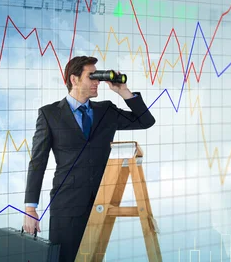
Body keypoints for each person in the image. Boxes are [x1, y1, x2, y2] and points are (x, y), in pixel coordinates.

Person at [22, 56, 156, 261]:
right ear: (74, 79)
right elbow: (38, 162)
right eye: (91, 76)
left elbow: (146, 121)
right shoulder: (50, 114)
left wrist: (123, 92)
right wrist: (30, 208)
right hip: (67, 204)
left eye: (98, 76)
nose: (97, 82)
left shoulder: (106, 111)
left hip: (101, 202)